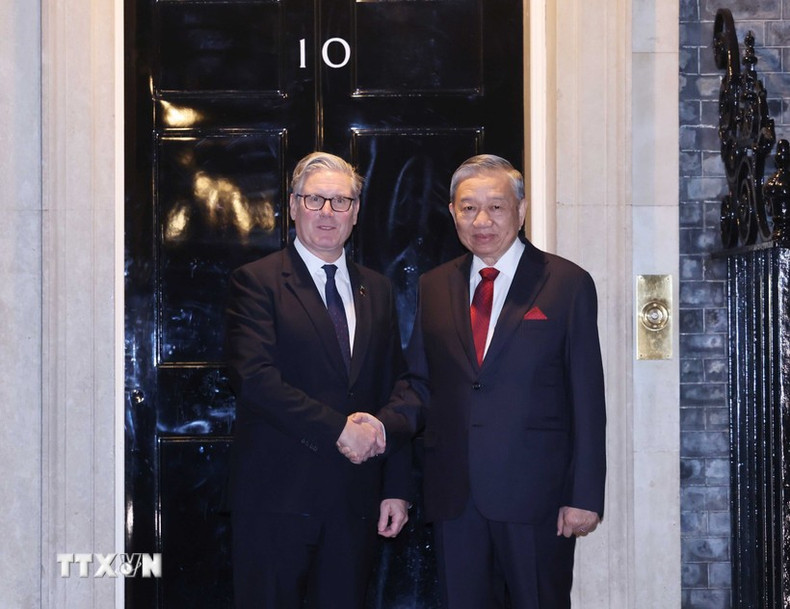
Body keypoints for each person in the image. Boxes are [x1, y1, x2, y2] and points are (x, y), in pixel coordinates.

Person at [399, 154, 606, 608]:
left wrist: (585, 495)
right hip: (455, 496)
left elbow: (587, 397)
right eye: (468, 207)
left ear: (521, 209)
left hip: (538, 498)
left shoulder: (566, 283)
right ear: (452, 212)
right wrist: (380, 428)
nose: (482, 220)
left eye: (496, 206)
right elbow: (420, 382)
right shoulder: (435, 286)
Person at [224, 151, 418, 609]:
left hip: (354, 502)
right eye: (315, 200)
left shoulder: (379, 289)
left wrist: (396, 487)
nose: (327, 213)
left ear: (355, 211)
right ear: (292, 206)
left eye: (341, 201)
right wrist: (339, 430)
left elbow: (394, 385)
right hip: (276, 501)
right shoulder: (256, 282)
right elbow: (254, 379)